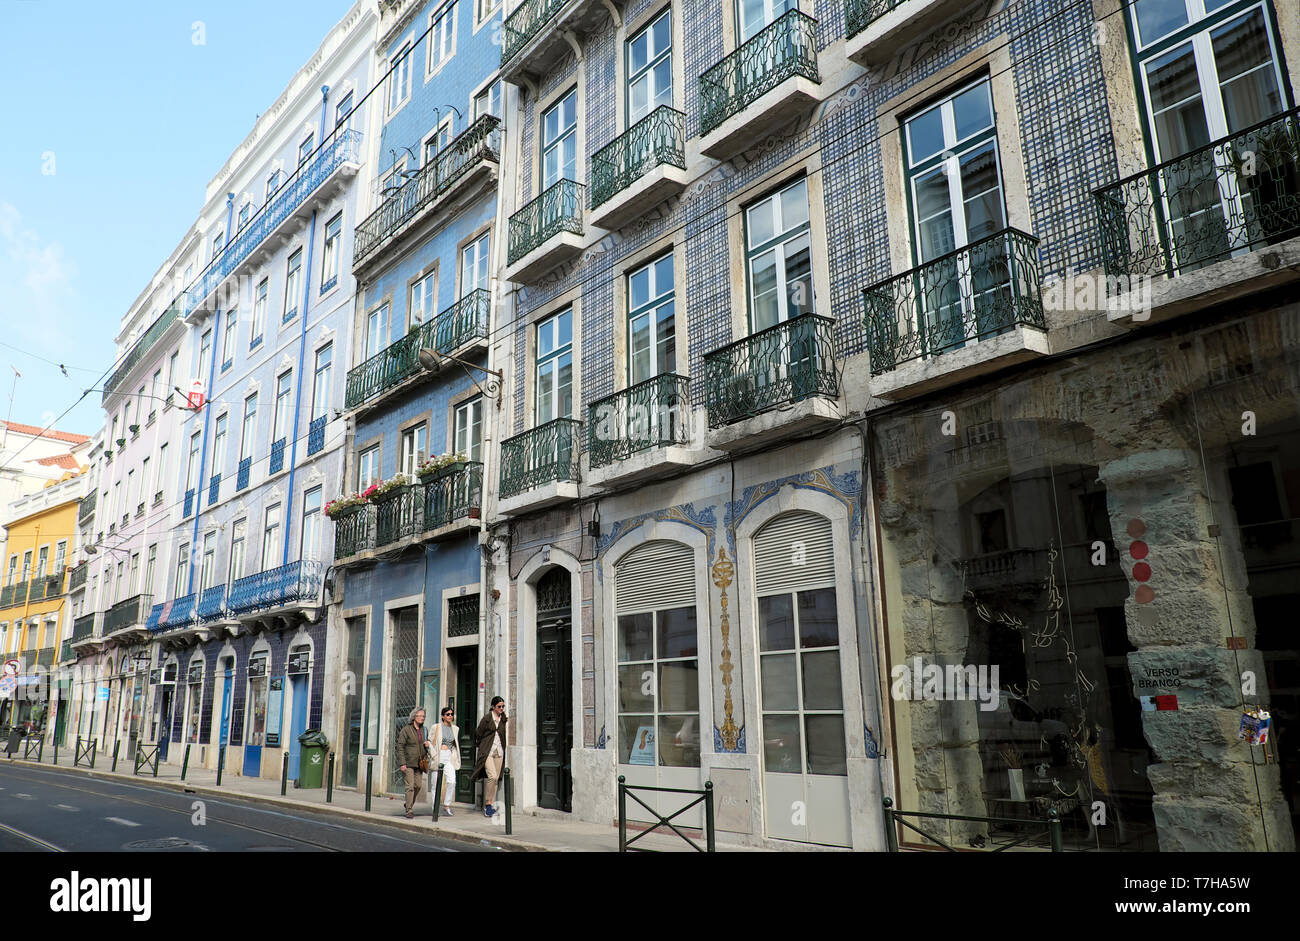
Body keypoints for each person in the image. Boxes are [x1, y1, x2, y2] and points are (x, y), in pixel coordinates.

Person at [472, 696, 508, 818]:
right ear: (493, 707)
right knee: (492, 776)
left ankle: (491, 805)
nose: (501, 708)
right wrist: (482, 746)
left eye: (503, 706)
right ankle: (487, 805)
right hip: (487, 751)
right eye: (499, 706)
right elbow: (478, 733)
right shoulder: (487, 719)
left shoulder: (503, 718)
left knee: (496, 778)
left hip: (499, 751)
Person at [395, 707, 428, 819]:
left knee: (418, 785)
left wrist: (427, 746)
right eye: (420, 716)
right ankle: (409, 809)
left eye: (423, 716)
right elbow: (400, 746)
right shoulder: (406, 730)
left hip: (419, 763)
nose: (422, 718)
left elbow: (424, 744)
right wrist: (402, 763)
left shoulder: (424, 730)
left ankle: (408, 803)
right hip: (408, 763)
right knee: (410, 787)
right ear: (414, 717)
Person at [428, 705, 459, 817]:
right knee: (435, 784)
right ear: (443, 716)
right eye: (448, 714)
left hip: (449, 757)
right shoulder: (436, 727)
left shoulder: (455, 728)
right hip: (438, 756)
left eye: (451, 714)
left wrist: (453, 754)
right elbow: (429, 742)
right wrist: (434, 755)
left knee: (452, 781)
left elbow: (455, 744)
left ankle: (446, 805)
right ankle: (434, 807)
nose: (450, 716)